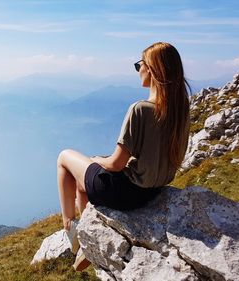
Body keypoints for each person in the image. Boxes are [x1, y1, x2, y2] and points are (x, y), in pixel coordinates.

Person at [56, 42, 190, 271]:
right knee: (81, 184)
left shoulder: (141, 109)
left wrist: (97, 159)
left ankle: (70, 228)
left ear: (153, 69)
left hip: (122, 191)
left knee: (64, 157)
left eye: (140, 64)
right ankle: (89, 241)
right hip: (152, 191)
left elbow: (116, 164)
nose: (138, 69)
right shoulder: (180, 110)